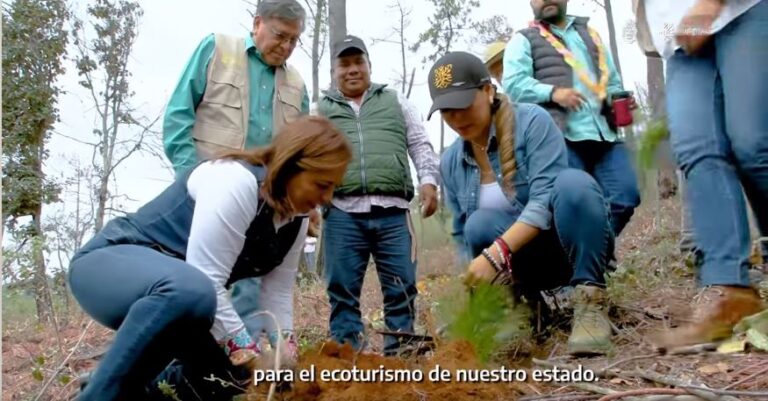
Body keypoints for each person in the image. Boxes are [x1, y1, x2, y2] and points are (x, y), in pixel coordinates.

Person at [69, 117, 351, 401]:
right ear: (290, 165)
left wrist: (287, 361)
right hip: (107, 269)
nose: (327, 198)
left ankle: (125, 388)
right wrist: (253, 358)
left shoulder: (297, 219)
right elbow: (207, 279)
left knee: (234, 379)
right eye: (322, 184)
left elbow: (277, 294)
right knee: (195, 294)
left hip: (182, 304)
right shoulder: (236, 181)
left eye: (333, 188)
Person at [431, 51, 615, 356]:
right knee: (477, 224)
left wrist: (495, 253)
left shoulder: (531, 122)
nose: (457, 118)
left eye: (464, 105)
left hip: (566, 249)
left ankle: (590, 300)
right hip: (523, 267)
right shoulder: (452, 162)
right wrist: (476, 291)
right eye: (447, 111)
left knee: (573, 184)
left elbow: (543, 200)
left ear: (488, 91)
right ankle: (520, 308)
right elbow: (464, 236)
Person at [162, 0, 312, 352]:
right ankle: (183, 360)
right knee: (195, 280)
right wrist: (189, 180)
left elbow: (301, 152)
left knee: (251, 279)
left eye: (294, 40)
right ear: (257, 23)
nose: (286, 46)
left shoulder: (296, 84)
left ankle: (246, 358)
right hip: (206, 195)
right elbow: (178, 116)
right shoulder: (216, 50)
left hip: (263, 205)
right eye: (280, 35)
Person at [639, 0, 767, 349]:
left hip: (741, 11)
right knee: (697, 151)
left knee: (754, 144)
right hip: (679, 37)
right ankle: (730, 291)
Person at [316, 35, 441, 355]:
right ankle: (346, 357)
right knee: (342, 291)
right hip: (341, 212)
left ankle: (400, 355)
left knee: (402, 286)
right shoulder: (320, 110)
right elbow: (306, 155)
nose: (352, 70)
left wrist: (428, 180)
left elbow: (419, 141)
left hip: (393, 212)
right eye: (344, 64)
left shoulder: (396, 101)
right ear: (334, 71)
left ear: (369, 65)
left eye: (359, 62)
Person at [503, 0, 640, 238]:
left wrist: (619, 99)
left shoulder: (591, 35)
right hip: (560, 139)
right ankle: (584, 256)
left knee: (625, 197)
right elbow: (514, 85)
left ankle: (595, 250)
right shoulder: (523, 39)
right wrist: (553, 93)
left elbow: (611, 81)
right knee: (576, 205)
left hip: (604, 134)